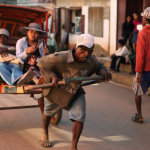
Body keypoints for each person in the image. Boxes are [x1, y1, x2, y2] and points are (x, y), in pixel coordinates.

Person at [37, 33, 112, 149]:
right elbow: (41, 62)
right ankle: (45, 132)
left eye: (90, 51)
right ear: (76, 47)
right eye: (83, 49)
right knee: (48, 112)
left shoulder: (91, 60)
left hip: (75, 90)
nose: (86, 54)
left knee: (80, 115)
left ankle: (74, 147)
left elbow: (100, 65)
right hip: (56, 90)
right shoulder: (61, 57)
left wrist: (103, 72)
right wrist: (53, 76)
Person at [132, 7, 150, 123]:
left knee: (137, 90)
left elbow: (140, 55)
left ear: (145, 18)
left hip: (145, 70)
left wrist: (138, 72)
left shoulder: (143, 32)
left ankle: (139, 115)